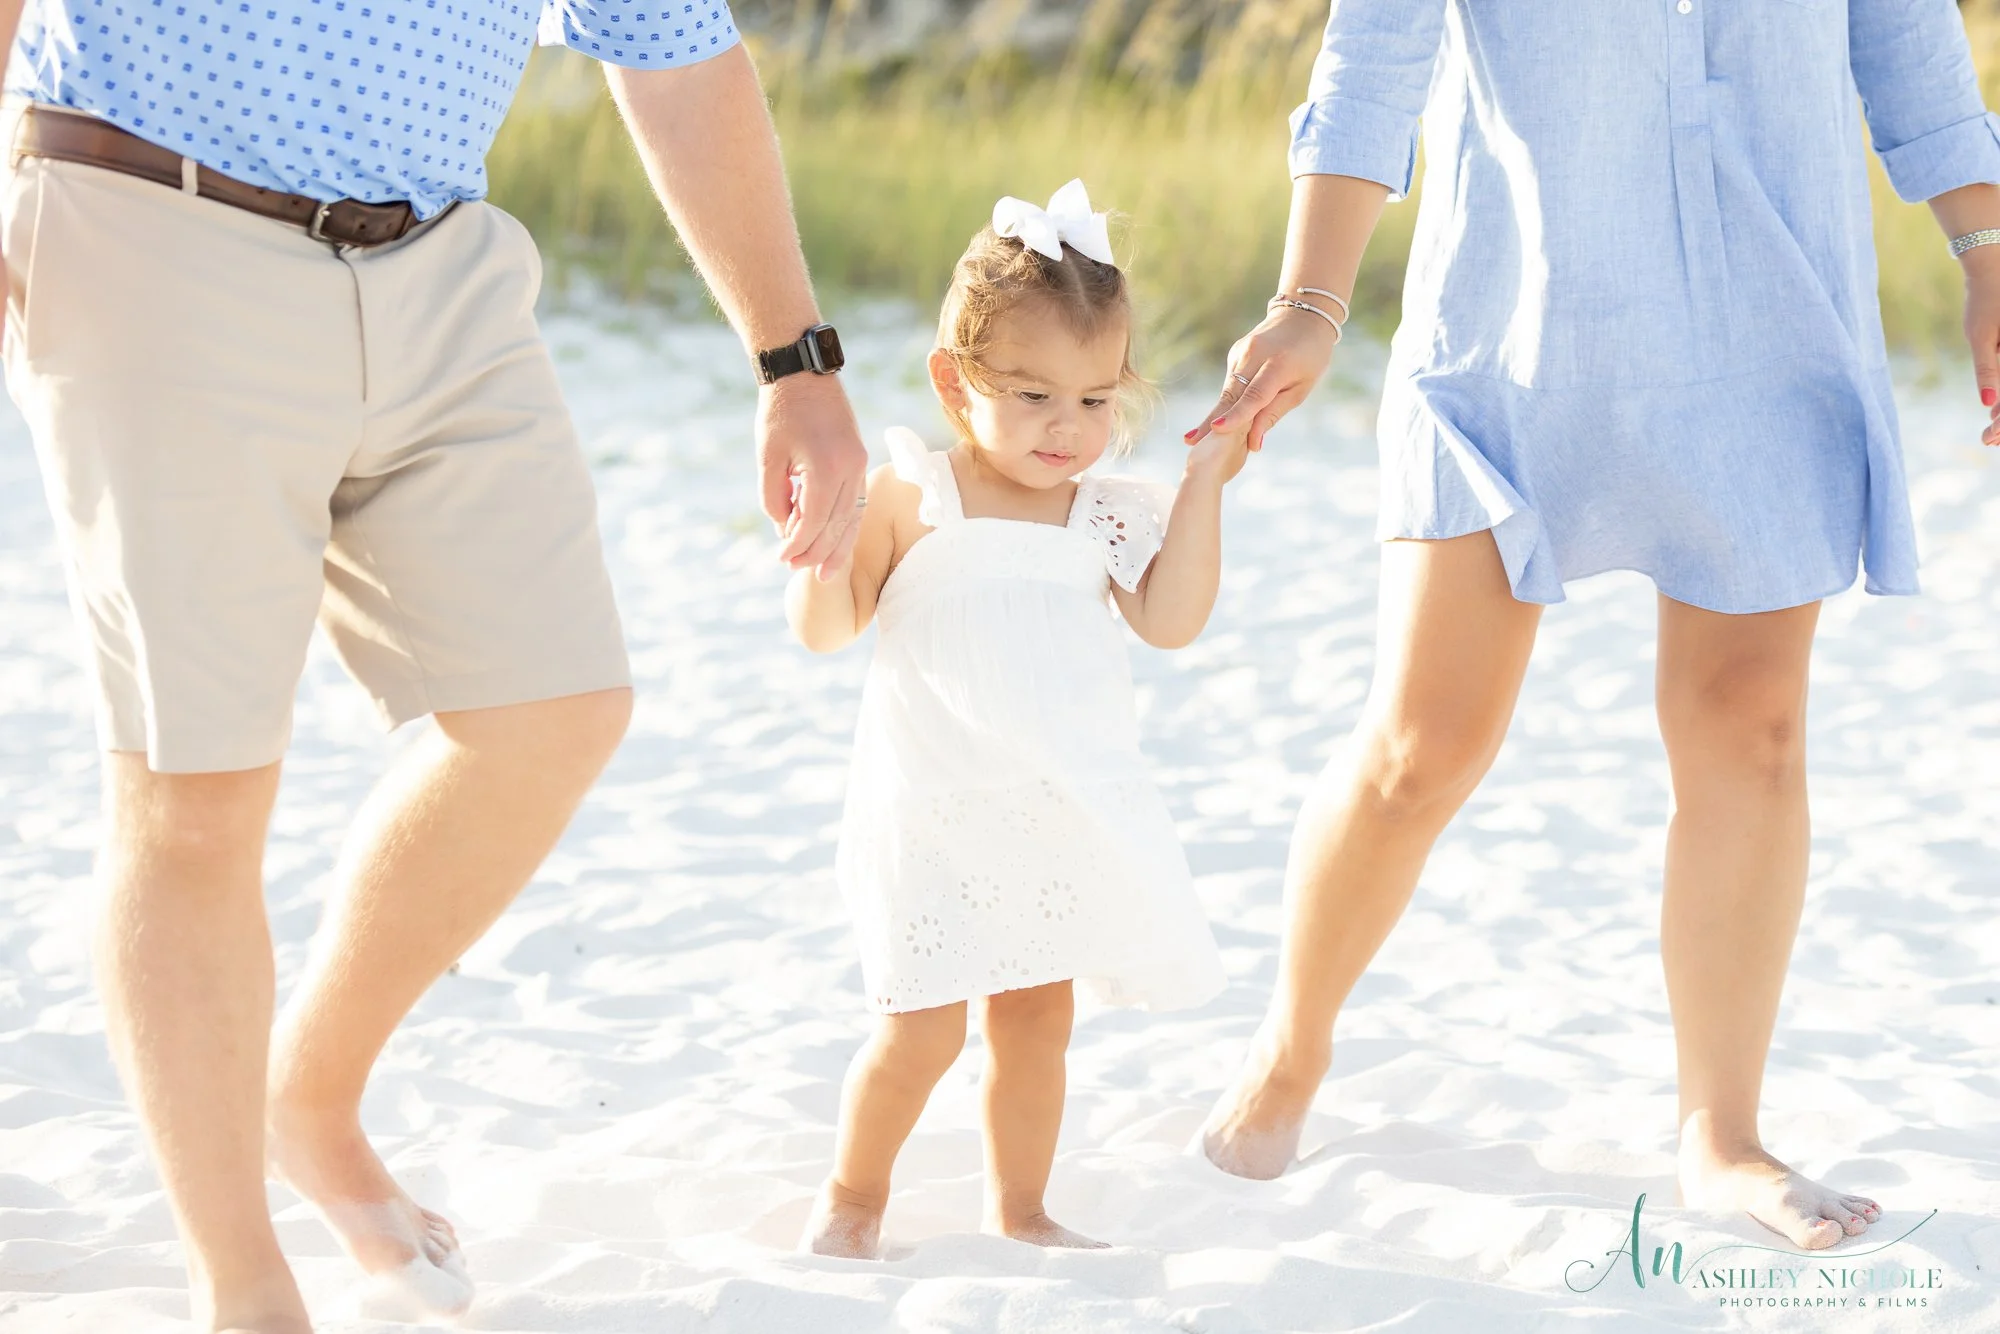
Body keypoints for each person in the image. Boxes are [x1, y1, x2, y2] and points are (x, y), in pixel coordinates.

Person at [0, 0, 869, 1324]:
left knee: (555, 704)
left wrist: (795, 360)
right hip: (150, 223)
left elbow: (676, 47)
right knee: (196, 790)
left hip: (443, 261)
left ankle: (309, 1088)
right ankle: (240, 1280)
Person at [1187, 0, 2000, 1250]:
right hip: (1511, 328)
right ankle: (1289, 1052)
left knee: (1752, 729)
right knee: (1424, 742)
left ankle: (1720, 1134)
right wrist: (1310, 296)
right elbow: (1374, 54)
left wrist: (1983, 243)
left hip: (1770, 315)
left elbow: (1901, 33)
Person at [786, 182, 1235, 1259]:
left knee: (1037, 1018)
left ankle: (1020, 1206)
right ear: (955, 383)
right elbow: (829, 627)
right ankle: (852, 1195)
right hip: (930, 805)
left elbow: (1171, 622)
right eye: (1032, 395)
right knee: (918, 1025)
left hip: (1051, 805)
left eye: (1094, 400)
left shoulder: (1106, 508)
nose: (1066, 427)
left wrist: (1205, 480)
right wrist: (816, 543)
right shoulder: (912, 493)